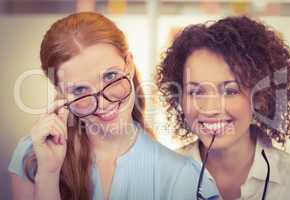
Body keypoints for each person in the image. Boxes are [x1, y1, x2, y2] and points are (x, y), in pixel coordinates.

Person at [8, 12, 219, 200]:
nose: (102, 103)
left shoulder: (182, 176)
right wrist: (48, 175)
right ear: (61, 93)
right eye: (79, 90)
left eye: (110, 76)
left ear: (128, 64)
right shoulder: (34, 156)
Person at [157, 15, 290, 200]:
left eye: (230, 91)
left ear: (260, 98)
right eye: (196, 92)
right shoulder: (158, 181)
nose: (210, 108)